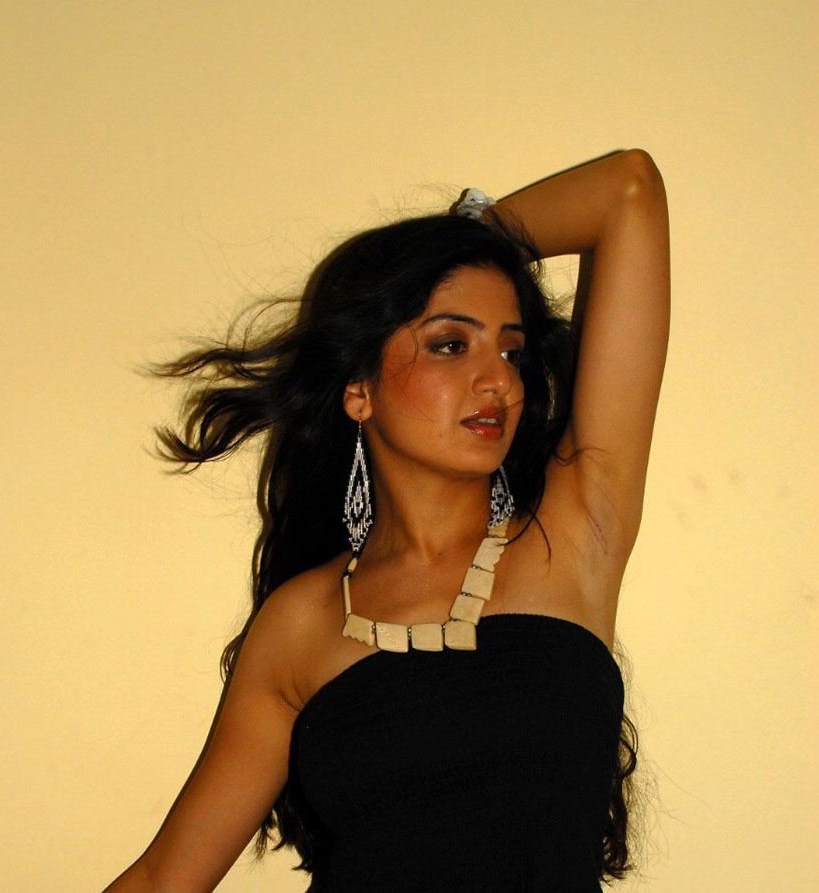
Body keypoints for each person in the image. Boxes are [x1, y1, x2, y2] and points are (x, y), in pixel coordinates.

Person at [107, 149, 669, 891]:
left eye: (511, 351)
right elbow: (163, 877)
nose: (498, 380)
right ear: (359, 390)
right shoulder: (301, 622)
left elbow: (628, 188)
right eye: (449, 344)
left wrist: (470, 234)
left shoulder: (572, 535)